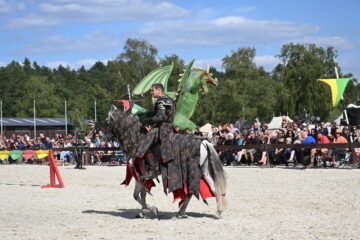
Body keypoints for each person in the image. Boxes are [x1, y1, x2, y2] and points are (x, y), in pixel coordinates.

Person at [139, 83, 176, 179]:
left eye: (152, 90)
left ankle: (153, 170)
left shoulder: (160, 101)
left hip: (162, 128)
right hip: (170, 127)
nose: (151, 92)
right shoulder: (170, 99)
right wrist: (147, 113)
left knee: (144, 145)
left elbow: (160, 117)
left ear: (159, 90)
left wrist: (147, 122)